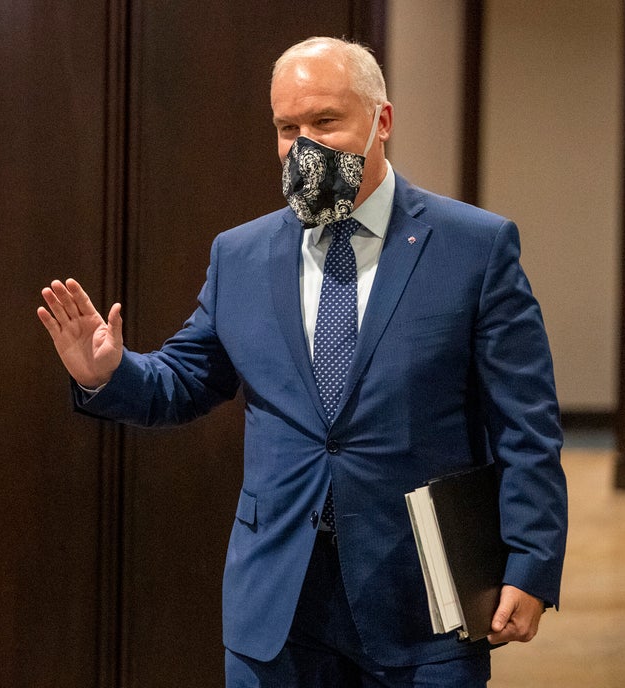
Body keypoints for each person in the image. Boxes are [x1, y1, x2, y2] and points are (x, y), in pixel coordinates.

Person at [38, 36, 567, 688]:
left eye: (324, 122)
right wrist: (109, 375)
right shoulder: (241, 255)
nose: (303, 147)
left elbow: (527, 427)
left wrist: (531, 563)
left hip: (420, 605)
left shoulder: (474, 249)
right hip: (278, 607)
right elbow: (187, 379)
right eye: (287, 128)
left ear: (383, 121)